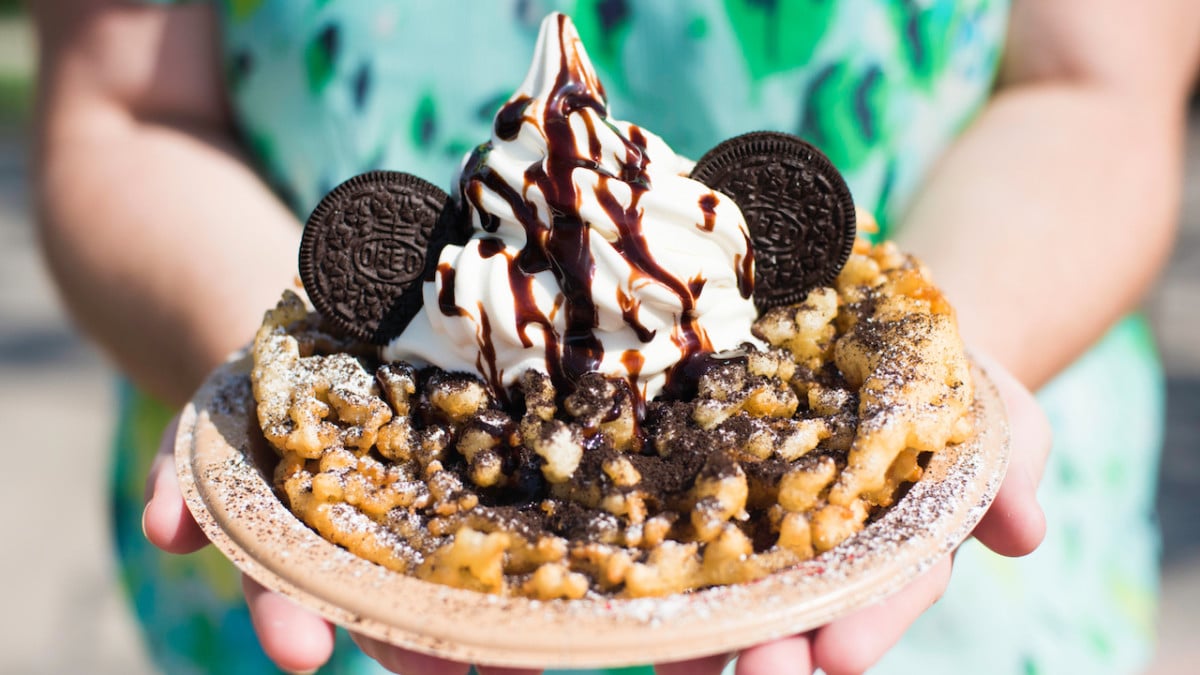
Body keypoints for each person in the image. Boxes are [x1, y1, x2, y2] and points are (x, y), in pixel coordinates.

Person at [30, 1, 1199, 673]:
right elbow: (128, 105)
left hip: (955, 622)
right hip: (322, 607)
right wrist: (261, 375)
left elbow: (1093, 84)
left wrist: (939, 378)